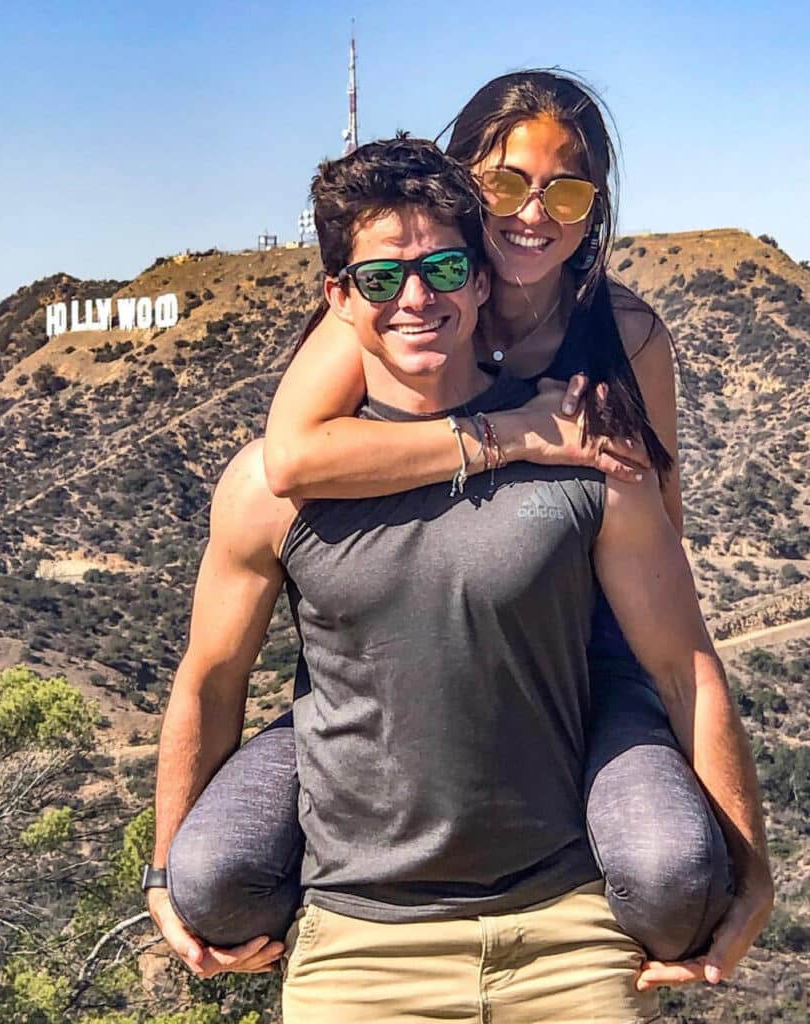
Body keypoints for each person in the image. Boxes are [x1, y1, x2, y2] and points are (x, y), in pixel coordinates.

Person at [147, 136, 771, 1023]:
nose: (416, 298)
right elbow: (210, 677)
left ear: (480, 281)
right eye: (379, 279)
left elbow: (685, 667)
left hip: (569, 940)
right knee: (215, 880)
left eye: (443, 267)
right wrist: (167, 869)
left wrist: (751, 871)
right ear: (338, 298)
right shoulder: (269, 486)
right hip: (359, 951)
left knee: (678, 877)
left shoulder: (587, 454)